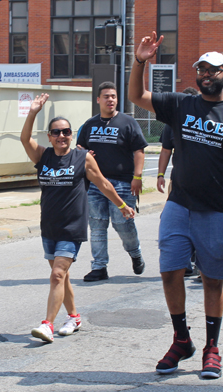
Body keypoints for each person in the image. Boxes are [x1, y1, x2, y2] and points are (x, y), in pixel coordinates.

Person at [128, 32, 223, 379]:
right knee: (170, 271)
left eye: (213, 70)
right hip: (178, 207)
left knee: (212, 280)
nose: (206, 75)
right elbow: (137, 95)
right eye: (201, 70)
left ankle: (211, 348)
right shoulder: (180, 104)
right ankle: (181, 340)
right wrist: (140, 61)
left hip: (219, 210)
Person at [21, 93, 135, 343]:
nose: (61, 136)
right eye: (56, 132)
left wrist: (123, 205)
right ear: (49, 136)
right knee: (62, 276)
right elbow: (24, 139)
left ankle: (47, 324)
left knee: (57, 275)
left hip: (72, 227)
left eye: (66, 132)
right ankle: (73, 316)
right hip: (49, 226)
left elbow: (103, 184)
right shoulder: (43, 157)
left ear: (72, 135)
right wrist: (33, 112)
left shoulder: (83, 158)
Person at [77, 81, 148, 282]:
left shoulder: (128, 123)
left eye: (114, 96)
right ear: (98, 100)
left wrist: (137, 176)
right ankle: (99, 267)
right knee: (97, 225)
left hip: (123, 183)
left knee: (122, 223)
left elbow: (139, 151)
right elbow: (79, 149)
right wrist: (84, 153)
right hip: (95, 185)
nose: (110, 100)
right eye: (106, 96)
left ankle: (135, 253)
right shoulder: (90, 124)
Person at [157, 87, 198, 195]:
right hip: (179, 180)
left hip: (203, 181)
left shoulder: (204, 122)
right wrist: (160, 175)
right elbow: (166, 151)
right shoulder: (172, 122)